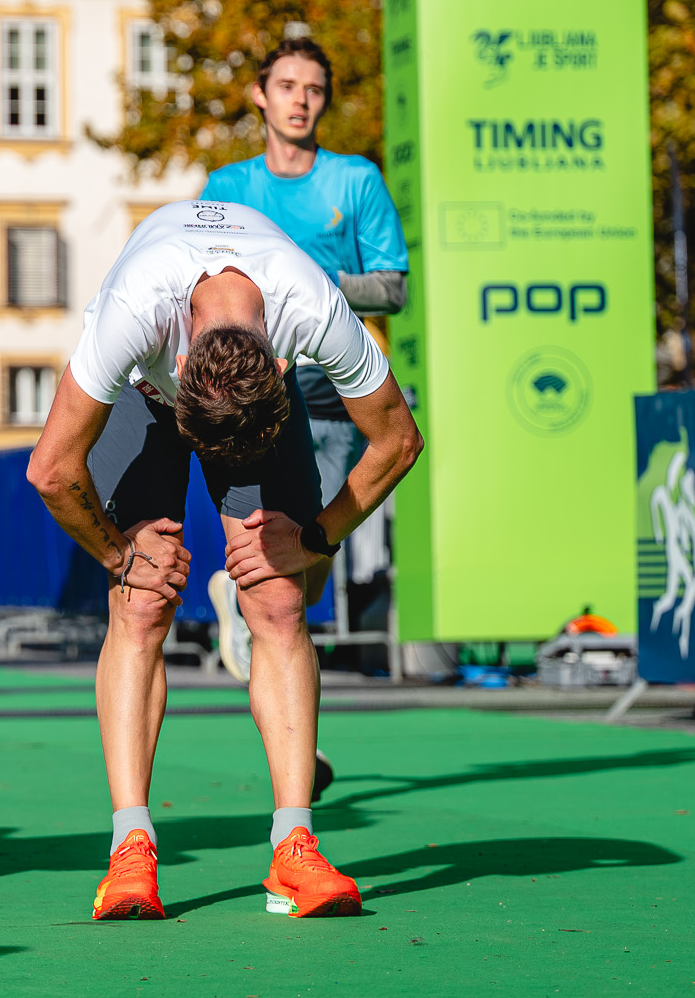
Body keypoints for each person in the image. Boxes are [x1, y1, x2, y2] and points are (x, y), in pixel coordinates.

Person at [25, 200, 421, 921]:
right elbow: (51, 469)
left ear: (282, 365)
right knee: (141, 605)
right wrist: (121, 556)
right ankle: (130, 848)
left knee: (279, 598)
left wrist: (315, 537)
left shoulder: (313, 308)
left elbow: (398, 440)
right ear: (179, 364)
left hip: (245, 393)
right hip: (143, 396)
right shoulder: (135, 313)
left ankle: (293, 847)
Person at [202, 35, 407, 677]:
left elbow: (393, 288)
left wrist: (311, 283)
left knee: (316, 547)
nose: (301, 101)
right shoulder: (227, 185)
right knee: (261, 531)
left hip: (335, 378)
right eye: (287, 87)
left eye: (314, 90)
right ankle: (249, 612)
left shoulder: (356, 179)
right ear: (260, 96)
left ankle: (244, 601)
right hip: (252, 380)